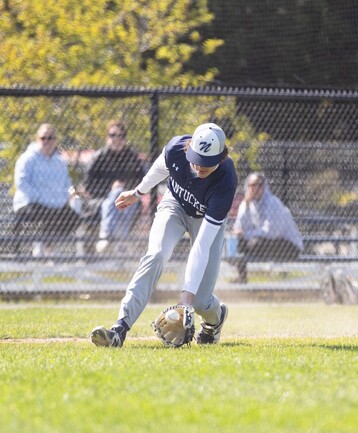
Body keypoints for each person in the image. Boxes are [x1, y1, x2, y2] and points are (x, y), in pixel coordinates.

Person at [91, 122, 238, 348]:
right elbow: (161, 168)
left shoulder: (225, 181)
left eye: (206, 164)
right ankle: (119, 328)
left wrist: (185, 301)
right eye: (196, 159)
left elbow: (200, 246)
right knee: (156, 255)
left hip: (205, 219)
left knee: (200, 300)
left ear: (220, 159)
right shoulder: (176, 149)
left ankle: (215, 318)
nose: (199, 167)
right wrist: (138, 192)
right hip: (175, 205)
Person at [77, 119, 147, 253]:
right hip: (103, 199)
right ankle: (122, 242)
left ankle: (106, 235)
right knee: (114, 198)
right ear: (107, 137)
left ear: (125, 138)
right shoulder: (99, 157)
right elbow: (88, 185)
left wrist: (124, 187)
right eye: (112, 135)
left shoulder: (131, 157)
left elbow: (143, 181)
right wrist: (111, 188)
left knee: (122, 198)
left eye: (120, 136)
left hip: (128, 199)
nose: (116, 139)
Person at [13, 123, 82, 257]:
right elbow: (21, 183)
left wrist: (73, 195)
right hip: (30, 203)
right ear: (37, 139)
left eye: (50, 138)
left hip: (55, 205)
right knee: (45, 212)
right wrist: (41, 198)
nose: (46, 141)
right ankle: (42, 243)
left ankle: (46, 243)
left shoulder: (60, 162)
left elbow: (68, 184)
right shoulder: (28, 158)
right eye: (43, 138)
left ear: (55, 140)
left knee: (74, 217)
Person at [233, 172, 303, 283]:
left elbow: (271, 233)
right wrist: (245, 205)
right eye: (252, 185)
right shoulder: (247, 204)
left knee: (254, 243)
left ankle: (243, 275)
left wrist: (246, 234)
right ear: (247, 186)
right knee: (241, 243)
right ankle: (242, 278)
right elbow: (239, 228)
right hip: (265, 243)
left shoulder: (272, 203)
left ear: (264, 187)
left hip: (289, 246)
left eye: (259, 185)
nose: (255, 188)